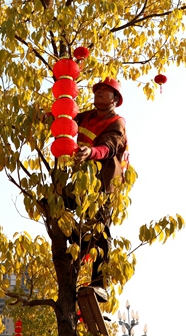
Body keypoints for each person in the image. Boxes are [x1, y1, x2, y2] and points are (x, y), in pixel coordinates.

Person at [72, 77, 128, 300]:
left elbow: (109, 147)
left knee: (101, 231)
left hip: (105, 185)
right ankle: (78, 249)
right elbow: (66, 119)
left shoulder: (117, 123)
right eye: (98, 89)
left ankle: (99, 284)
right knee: (54, 205)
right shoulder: (87, 116)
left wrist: (90, 152)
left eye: (106, 90)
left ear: (115, 99)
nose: (99, 92)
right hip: (83, 182)